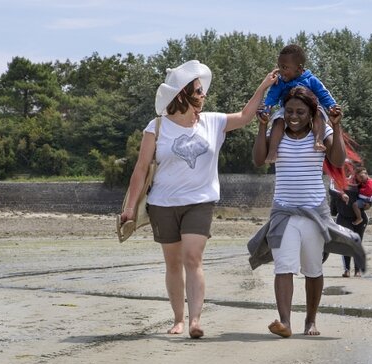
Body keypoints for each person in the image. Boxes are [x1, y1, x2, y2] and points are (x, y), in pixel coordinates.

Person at [119, 60, 277, 339]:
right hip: (163, 204)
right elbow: (140, 169)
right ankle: (178, 319)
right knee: (173, 263)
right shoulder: (156, 127)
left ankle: (195, 320)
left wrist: (263, 86)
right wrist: (130, 207)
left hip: (200, 201)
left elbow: (245, 116)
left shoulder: (213, 122)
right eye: (199, 90)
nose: (204, 95)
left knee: (193, 257)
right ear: (183, 94)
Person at [248, 86, 365, 338]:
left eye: (300, 111)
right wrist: (261, 127)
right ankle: (285, 323)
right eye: (289, 110)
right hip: (283, 212)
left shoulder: (321, 134)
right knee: (284, 266)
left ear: (311, 112)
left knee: (313, 268)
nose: (294, 116)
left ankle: (310, 321)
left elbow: (336, 160)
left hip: (314, 212)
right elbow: (258, 160)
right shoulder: (277, 133)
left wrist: (337, 125)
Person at [263, 44, 338, 163]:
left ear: (298, 68)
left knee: (318, 113)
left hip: (311, 109)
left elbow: (323, 94)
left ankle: (318, 140)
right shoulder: (280, 82)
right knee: (278, 121)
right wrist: (266, 108)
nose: (281, 71)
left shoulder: (311, 80)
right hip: (287, 110)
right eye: (279, 67)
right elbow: (272, 96)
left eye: (285, 67)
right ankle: (272, 152)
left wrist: (332, 106)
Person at [329, 172, 369, 278]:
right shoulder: (335, 179)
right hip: (343, 217)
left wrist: (368, 204)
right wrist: (342, 194)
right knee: (347, 242)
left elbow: (369, 193)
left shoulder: (357, 179)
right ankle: (347, 269)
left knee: (357, 242)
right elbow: (331, 190)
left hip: (359, 218)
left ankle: (357, 270)